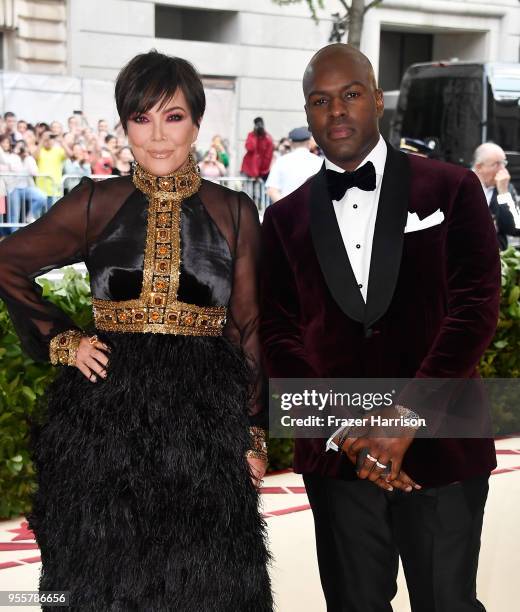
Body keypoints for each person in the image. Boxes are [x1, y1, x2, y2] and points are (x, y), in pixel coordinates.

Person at [0, 50, 272, 610]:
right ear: (124, 125)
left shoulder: (236, 211)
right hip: (105, 420)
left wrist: (253, 433)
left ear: (197, 123)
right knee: (99, 578)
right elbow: (8, 261)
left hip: (201, 424)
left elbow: (249, 328)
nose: (157, 136)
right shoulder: (97, 201)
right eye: (141, 119)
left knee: (208, 582)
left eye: (172, 117)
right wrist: (63, 340)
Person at [260, 43, 500, 612]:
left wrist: (405, 417)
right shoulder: (283, 218)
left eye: (349, 95)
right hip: (337, 459)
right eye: (320, 101)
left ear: (377, 100)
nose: (336, 111)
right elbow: (278, 335)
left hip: (444, 447)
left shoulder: (451, 188)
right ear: (308, 112)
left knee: (448, 603)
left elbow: (475, 309)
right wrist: (349, 434)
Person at [472, 141, 520, 250]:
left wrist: (503, 193)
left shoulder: (507, 188)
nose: (503, 169)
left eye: (504, 163)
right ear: (479, 167)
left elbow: (514, 228)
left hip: (495, 254)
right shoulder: (460, 184)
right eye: (497, 164)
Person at [265, 126, 322, 203]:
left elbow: (272, 190)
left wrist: (285, 207)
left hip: (286, 211)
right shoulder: (319, 162)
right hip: (312, 211)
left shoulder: (281, 161)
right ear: (309, 142)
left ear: (291, 143)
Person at [34, 130, 67, 211]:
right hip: (40, 189)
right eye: (46, 139)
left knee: (52, 216)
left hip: (54, 189)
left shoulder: (58, 150)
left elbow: (70, 155)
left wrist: (62, 141)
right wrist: (42, 140)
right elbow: (34, 157)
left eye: (50, 138)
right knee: (40, 218)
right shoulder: (40, 150)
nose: (48, 141)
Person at [240, 117, 274, 181]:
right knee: (246, 190)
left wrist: (261, 173)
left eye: (260, 124)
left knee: (259, 190)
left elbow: (268, 157)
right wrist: (254, 135)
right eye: (257, 125)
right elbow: (250, 148)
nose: (259, 127)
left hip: (262, 173)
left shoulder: (268, 138)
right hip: (248, 169)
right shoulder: (251, 135)